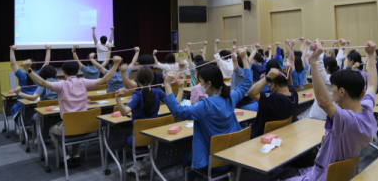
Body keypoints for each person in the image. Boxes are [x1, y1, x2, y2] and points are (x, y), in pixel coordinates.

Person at [281, 40, 378, 181]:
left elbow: (324, 102)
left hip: (322, 176)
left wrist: (313, 61)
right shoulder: (367, 109)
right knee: (287, 173)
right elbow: (372, 85)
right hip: (336, 173)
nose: (331, 90)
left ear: (342, 91)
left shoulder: (347, 120)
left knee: (281, 177)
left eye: (333, 87)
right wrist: (371, 55)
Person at [163, 48, 252, 181]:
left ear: (209, 84)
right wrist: (244, 58)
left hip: (214, 161)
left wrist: (167, 84)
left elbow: (178, 111)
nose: (200, 84)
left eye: (201, 81)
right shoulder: (230, 97)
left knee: (186, 154)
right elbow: (247, 83)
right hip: (232, 156)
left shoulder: (205, 105)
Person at [22, 56, 121, 165]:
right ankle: (76, 154)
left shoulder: (61, 85)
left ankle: (66, 156)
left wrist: (28, 70)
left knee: (51, 131)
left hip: (68, 127)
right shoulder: (84, 82)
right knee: (78, 123)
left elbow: (42, 83)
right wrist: (116, 64)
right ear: (78, 71)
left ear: (63, 72)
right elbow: (105, 79)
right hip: (85, 126)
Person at [115, 67, 184, 177]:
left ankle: (137, 167)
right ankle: (138, 166)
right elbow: (175, 104)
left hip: (138, 140)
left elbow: (124, 112)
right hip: (155, 138)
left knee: (127, 139)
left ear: (138, 81)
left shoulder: (137, 95)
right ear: (152, 80)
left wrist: (118, 98)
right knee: (134, 139)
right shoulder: (158, 91)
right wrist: (180, 89)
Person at [248, 64, 297, 138]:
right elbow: (290, 85)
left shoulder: (274, 100)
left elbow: (251, 93)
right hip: (279, 134)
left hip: (259, 136)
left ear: (274, 85)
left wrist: (267, 78)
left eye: (269, 84)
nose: (268, 86)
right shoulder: (294, 96)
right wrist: (288, 73)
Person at [9, 45, 51, 131]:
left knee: (12, 108)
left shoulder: (21, 75)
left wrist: (12, 50)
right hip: (37, 101)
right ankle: (33, 125)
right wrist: (48, 49)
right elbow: (46, 63)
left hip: (22, 102)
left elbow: (13, 64)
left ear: (24, 66)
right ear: (35, 66)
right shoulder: (38, 75)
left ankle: (20, 126)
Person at [297, 56, 340, 121]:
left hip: (319, 113)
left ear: (327, 67)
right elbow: (339, 59)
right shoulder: (338, 78)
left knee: (299, 117)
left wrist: (317, 54)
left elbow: (319, 66)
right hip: (332, 110)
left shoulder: (324, 77)